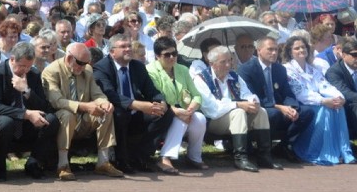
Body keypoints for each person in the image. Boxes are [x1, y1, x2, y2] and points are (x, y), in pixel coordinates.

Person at [193, 46, 282, 172]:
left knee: (261, 111)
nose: (228, 65)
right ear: (212, 64)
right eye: (223, 62)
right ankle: (240, 158)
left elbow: (247, 94)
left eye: (230, 60)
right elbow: (212, 109)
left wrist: (253, 101)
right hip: (213, 121)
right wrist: (237, 104)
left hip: (235, 118)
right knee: (238, 112)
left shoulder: (234, 76)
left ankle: (264, 157)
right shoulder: (201, 79)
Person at [93, 34, 173, 174]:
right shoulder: (102, 67)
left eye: (129, 46)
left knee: (165, 113)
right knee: (120, 114)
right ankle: (121, 161)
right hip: (116, 112)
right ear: (112, 51)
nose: (128, 49)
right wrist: (137, 105)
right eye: (123, 47)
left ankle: (139, 156)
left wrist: (161, 102)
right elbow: (111, 95)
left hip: (137, 113)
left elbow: (151, 90)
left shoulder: (138, 66)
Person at [41, 44, 123, 181]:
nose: (83, 67)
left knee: (106, 112)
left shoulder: (87, 70)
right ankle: (63, 165)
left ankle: (103, 162)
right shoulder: (51, 71)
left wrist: (104, 103)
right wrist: (84, 106)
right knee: (67, 114)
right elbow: (57, 101)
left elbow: (97, 94)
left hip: (83, 120)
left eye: (86, 63)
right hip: (60, 121)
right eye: (80, 63)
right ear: (68, 58)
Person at [0, 41, 59, 181]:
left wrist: (27, 91)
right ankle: (0, 166)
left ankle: (34, 162)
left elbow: (43, 106)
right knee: (6, 122)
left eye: (29, 66)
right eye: (22, 66)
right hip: (3, 121)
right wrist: (25, 114)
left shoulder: (33, 74)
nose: (25, 70)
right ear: (12, 59)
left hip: (26, 125)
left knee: (51, 120)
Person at [281, 35, 355, 165]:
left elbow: (324, 85)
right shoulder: (287, 69)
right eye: (297, 48)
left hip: (318, 101)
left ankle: (340, 151)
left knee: (338, 107)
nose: (301, 50)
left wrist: (339, 97)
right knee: (325, 109)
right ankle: (321, 152)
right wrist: (323, 101)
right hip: (301, 104)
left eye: (303, 47)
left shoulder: (312, 69)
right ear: (290, 52)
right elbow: (301, 93)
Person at [237, 36, 312, 161]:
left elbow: (287, 93)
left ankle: (284, 145)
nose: (274, 53)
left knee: (306, 112)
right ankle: (261, 150)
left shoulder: (280, 69)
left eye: (276, 50)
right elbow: (251, 97)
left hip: (280, 107)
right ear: (259, 50)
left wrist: (292, 107)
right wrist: (278, 106)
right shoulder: (246, 69)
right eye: (270, 49)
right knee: (273, 114)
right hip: (259, 108)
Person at [146, 37, 208, 172]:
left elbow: (196, 95)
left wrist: (191, 109)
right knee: (180, 120)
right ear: (157, 56)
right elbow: (156, 97)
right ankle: (165, 158)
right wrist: (176, 111)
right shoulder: (150, 71)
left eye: (174, 53)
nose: (172, 57)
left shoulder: (183, 69)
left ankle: (194, 157)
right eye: (167, 55)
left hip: (185, 112)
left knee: (200, 119)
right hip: (162, 113)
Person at [326, 38, 357, 162]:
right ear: (344, 55)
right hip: (344, 111)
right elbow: (344, 92)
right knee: (356, 105)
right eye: (355, 54)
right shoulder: (334, 71)